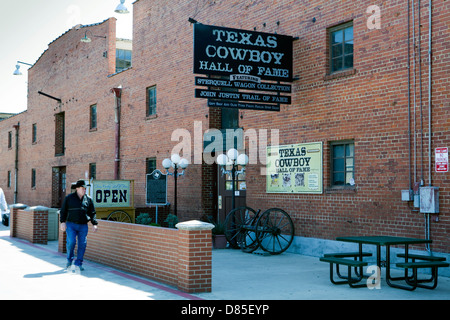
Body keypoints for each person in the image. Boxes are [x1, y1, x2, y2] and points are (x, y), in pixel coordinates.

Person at [60, 179, 98, 271]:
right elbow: (63, 211)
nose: (84, 190)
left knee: (82, 244)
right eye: (82, 188)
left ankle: (78, 263)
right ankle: (69, 260)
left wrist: (94, 224)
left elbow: (92, 212)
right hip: (71, 225)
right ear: (77, 188)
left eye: (85, 189)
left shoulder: (88, 199)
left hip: (83, 226)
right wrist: (62, 222)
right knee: (71, 242)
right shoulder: (69, 198)